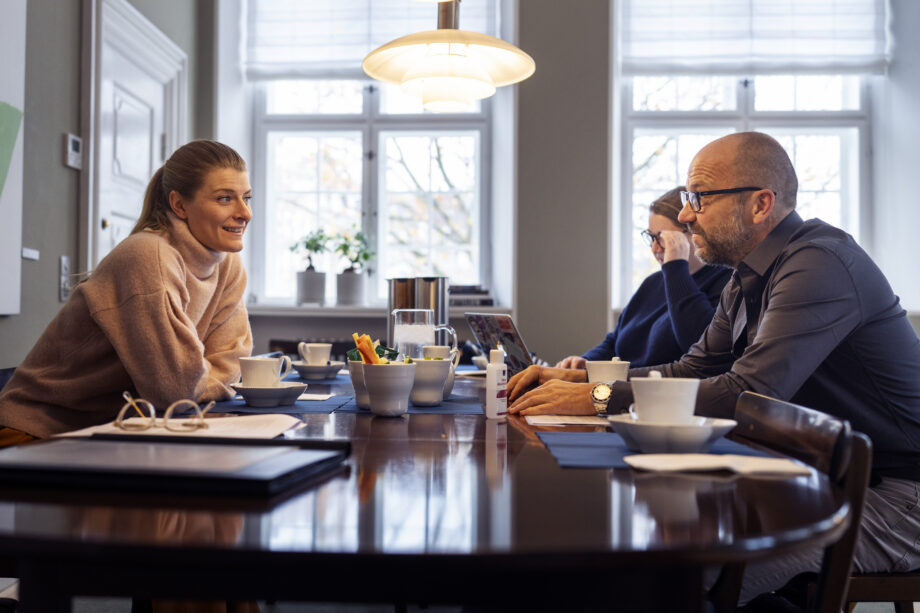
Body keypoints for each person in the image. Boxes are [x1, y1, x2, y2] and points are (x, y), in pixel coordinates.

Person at [507, 131, 920, 603]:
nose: (684, 215)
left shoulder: (818, 263)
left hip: (895, 493)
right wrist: (581, 378)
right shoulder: (748, 272)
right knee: (637, 539)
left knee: (669, 571)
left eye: (698, 198)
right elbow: (691, 369)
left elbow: (746, 392)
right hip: (813, 473)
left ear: (761, 204)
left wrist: (596, 399)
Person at [0, 140, 254, 443]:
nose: (244, 213)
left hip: (117, 430)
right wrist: (201, 382)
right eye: (225, 198)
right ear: (179, 205)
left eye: (247, 198)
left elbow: (233, 363)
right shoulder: (148, 256)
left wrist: (197, 382)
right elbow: (173, 391)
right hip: (40, 432)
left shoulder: (228, 264)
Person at [556, 187, 730, 370]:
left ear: (694, 232)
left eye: (663, 238)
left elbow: (699, 348)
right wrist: (586, 362)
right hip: (621, 387)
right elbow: (615, 342)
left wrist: (676, 268)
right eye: (651, 237)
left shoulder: (725, 282)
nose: (655, 248)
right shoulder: (653, 283)